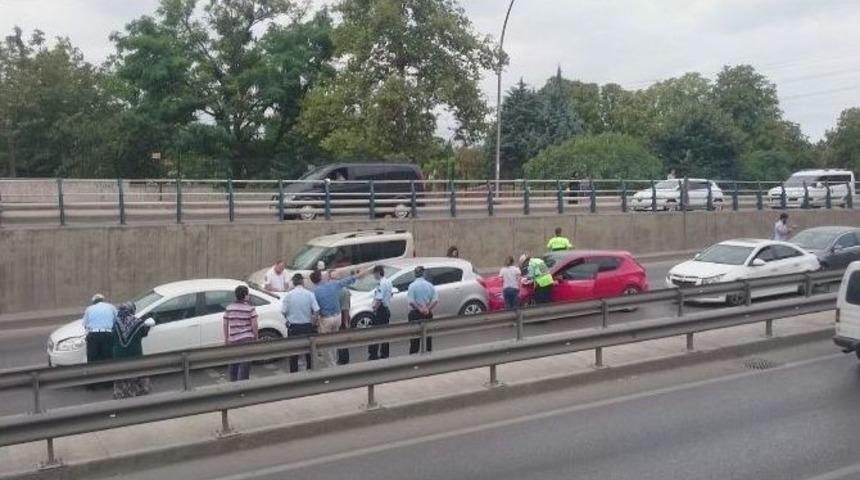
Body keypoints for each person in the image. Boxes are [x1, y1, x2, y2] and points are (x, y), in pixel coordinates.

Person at [310, 267, 371, 368]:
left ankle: (331, 364)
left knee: (325, 343)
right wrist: (366, 271)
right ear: (321, 278)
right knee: (334, 341)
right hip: (337, 317)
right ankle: (334, 361)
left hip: (326, 319)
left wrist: (315, 321)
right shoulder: (333, 285)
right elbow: (351, 279)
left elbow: (315, 309)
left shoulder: (315, 292)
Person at [112, 302, 155, 399]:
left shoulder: (115, 323)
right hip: (135, 354)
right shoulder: (137, 322)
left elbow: (111, 338)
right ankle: (139, 390)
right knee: (138, 371)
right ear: (132, 310)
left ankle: (121, 393)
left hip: (119, 356)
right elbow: (144, 332)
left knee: (121, 374)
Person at [281, 273, 320, 372]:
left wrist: (288, 318)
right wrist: (313, 322)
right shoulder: (310, 294)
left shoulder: (288, 296)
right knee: (309, 352)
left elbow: (283, 311)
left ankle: (294, 375)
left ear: (293, 283)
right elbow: (316, 310)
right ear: (302, 282)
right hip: (307, 326)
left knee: (294, 353)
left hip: (293, 327)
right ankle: (310, 372)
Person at [223, 285, 259, 382]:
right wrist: (256, 337)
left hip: (233, 340)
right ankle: (243, 387)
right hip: (247, 340)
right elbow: (254, 325)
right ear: (245, 296)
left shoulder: (229, 308)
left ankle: (233, 386)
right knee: (244, 366)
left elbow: (225, 324)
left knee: (233, 365)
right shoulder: (250, 308)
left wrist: (226, 339)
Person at [407, 266, 439, 354]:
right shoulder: (430, 285)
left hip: (415, 314)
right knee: (428, 338)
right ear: (423, 274)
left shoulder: (412, 286)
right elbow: (435, 300)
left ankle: (413, 358)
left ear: (415, 274)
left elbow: (411, 302)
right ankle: (428, 356)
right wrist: (428, 309)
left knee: (414, 339)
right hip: (427, 313)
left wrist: (420, 309)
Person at [368, 265, 393, 360]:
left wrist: (374, 309)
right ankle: (385, 353)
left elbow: (378, 299)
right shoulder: (388, 282)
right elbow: (390, 294)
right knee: (385, 333)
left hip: (380, 310)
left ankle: (373, 354)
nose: (373, 276)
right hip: (386, 309)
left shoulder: (380, 284)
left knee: (375, 333)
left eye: (374, 274)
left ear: (378, 273)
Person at [337, 282, 352, 365]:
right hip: (343, 315)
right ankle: (343, 358)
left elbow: (345, 308)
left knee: (341, 338)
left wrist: (346, 322)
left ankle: (343, 359)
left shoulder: (343, 291)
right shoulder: (345, 290)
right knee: (342, 338)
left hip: (342, 316)